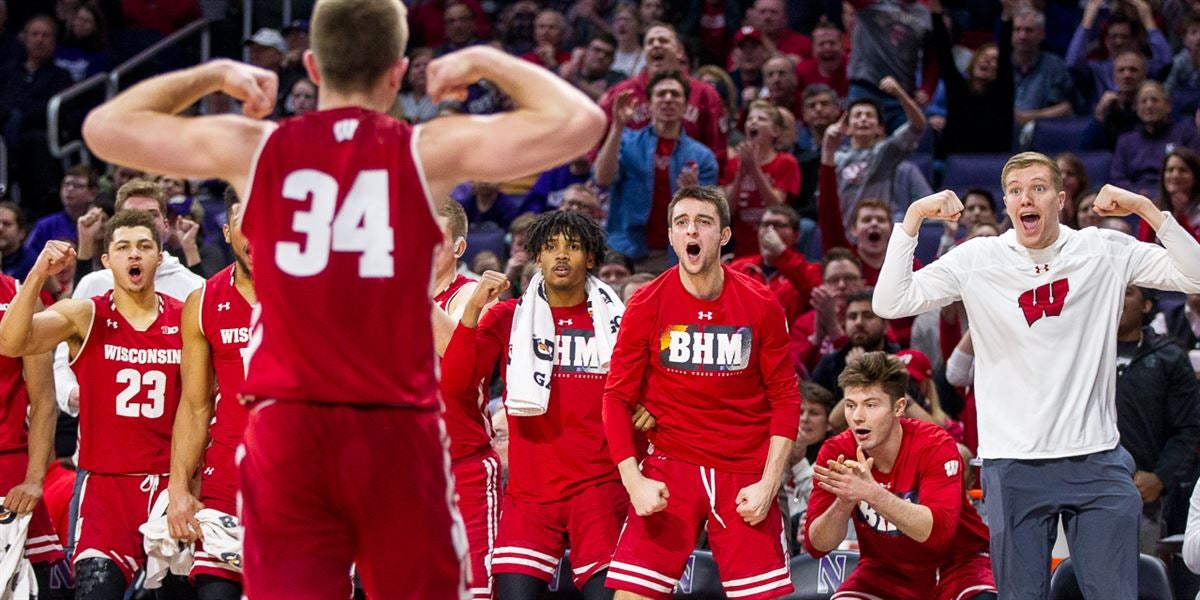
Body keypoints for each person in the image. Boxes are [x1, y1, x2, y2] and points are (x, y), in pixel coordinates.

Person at [79, 0, 606, 595]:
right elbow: (582, 120)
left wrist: (215, 75)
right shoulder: (424, 150)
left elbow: (103, 127)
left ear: (310, 65)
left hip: (289, 431)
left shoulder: (257, 148)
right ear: (397, 72)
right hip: (392, 427)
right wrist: (486, 61)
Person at [873, 152, 1200, 599]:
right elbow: (890, 303)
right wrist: (911, 220)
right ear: (1006, 203)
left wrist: (1146, 209)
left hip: (1097, 459)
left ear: (1061, 199)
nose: (1026, 198)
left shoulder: (1102, 249)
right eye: (1015, 190)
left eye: (1039, 188)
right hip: (1013, 463)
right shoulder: (977, 258)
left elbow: (1195, 274)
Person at [602, 185, 800, 600]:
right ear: (672, 237)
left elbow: (785, 399)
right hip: (671, 465)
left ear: (724, 236)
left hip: (744, 469)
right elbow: (616, 398)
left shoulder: (761, 304)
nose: (692, 231)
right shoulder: (646, 304)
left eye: (704, 222)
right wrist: (634, 480)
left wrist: (769, 483)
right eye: (682, 223)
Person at [441, 211, 640, 599]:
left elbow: (647, 392)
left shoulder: (620, 321)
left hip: (599, 487)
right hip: (529, 494)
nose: (561, 256)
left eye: (573, 247)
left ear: (592, 258)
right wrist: (470, 313)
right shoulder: (508, 317)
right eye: (550, 248)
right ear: (537, 256)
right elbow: (456, 384)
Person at [0, 210, 183, 598]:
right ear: (106, 260)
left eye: (144, 247)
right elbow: (11, 343)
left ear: (160, 257)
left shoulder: (187, 320)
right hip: (104, 489)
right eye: (123, 247)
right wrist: (37, 275)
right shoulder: (84, 314)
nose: (134, 256)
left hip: (170, 487)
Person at [805, 351, 996, 600]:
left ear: (899, 407)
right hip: (885, 571)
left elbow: (938, 534)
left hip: (957, 564)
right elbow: (816, 546)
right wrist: (842, 504)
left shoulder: (935, 445)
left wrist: (872, 493)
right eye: (851, 405)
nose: (857, 416)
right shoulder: (837, 451)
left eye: (871, 405)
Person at [164, 189, 254, 600]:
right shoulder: (202, 303)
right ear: (228, 231)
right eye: (244, 224)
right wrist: (179, 489)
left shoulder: (314, 297)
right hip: (226, 483)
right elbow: (195, 405)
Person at [595, 70, 718, 271]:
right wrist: (617, 126)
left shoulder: (702, 157)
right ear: (649, 105)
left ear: (686, 106)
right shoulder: (625, 141)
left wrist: (693, 196)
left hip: (672, 253)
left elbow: (710, 216)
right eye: (661, 94)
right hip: (624, 252)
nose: (668, 99)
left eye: (675, 94)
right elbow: (602, 178)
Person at [1113, 285, 1200, 555]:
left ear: (1147, 305)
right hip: (1080, 488)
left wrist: (1161, 477)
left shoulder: (1169, 358)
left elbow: (1188, 429)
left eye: (1127, 293)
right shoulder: (1079, 353)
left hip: (1141, 495)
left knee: (1137, 582)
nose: (1116, 299)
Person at [722, 100, 800, 257]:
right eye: (750, 119)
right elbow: (727, 211)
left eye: (762, 119)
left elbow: (776, 205)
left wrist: (754, 170)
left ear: (776, 131)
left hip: (776, 248)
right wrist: (740, 175)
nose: (754, 122)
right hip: (742, 250)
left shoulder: (786, 162)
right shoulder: (733, 163)